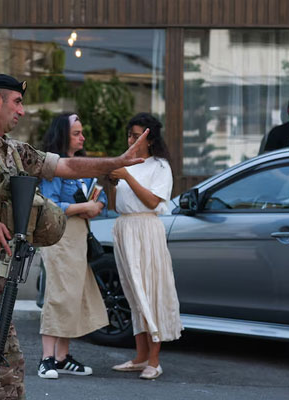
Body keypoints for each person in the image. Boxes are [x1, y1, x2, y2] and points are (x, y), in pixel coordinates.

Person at [0, 73, 149, 399]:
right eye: (17, 102)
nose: (22, 110)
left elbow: (65, 167)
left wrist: (116, 162)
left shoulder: (12, 150)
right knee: (6, 366)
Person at [108, 112, 182, 380]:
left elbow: (152, 202)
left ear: (149, 139)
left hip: (147, 228)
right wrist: (114, 182)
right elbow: (116, 204)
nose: (131, 139)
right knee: (133, 292)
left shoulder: (159, 166)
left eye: (136, 134)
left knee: (150, 289)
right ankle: (140, 357)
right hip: (125, 227)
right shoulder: (126, 164)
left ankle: (154, 359)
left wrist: (127, 176)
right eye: (129, 134)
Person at [36, 113, 110, 379]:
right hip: (58, 235)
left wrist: (97, 206)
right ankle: (46, 358)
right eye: (77, 133)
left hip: (78, 236)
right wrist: (85, 207)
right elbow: (49, 204)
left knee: (74, 295)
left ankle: (62, 356)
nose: (82, 137)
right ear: (63, 135)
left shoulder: (80, 164)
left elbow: (97, 195)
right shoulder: (53, 165)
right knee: (59, 294)